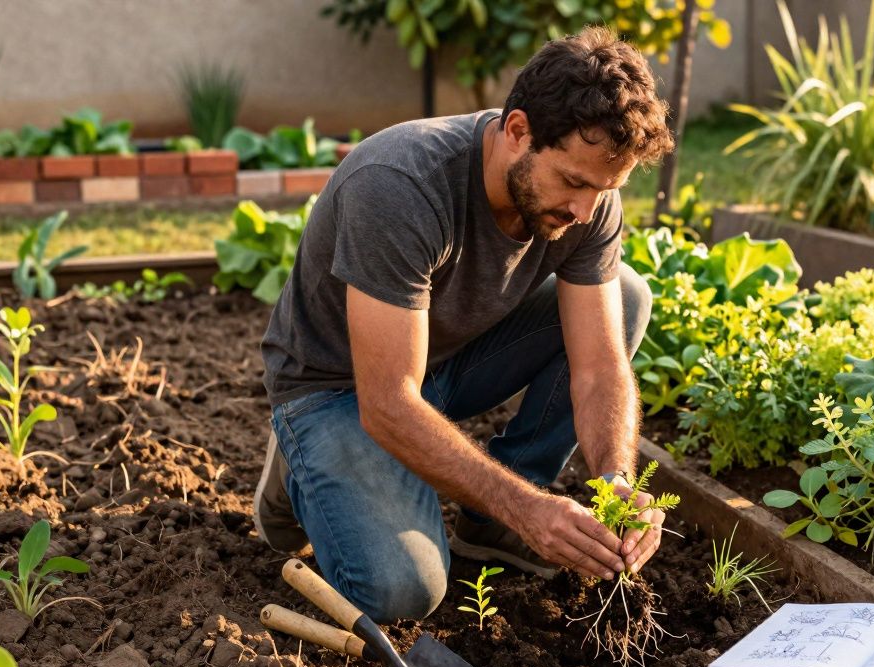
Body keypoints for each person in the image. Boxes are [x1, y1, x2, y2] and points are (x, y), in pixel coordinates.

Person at [252, 26, 677, 622]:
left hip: (444, 363)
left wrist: (617, 483)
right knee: (404, 592)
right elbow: (388, 403)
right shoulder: (400, 186)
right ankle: (299, 460)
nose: (586, 209)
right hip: (339, 390)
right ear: (518, 131)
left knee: (625, 296)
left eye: (603, 189)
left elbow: (600, 366)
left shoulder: (590, 202)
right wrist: (531, 508)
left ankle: (489, 526)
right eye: (574, 182)